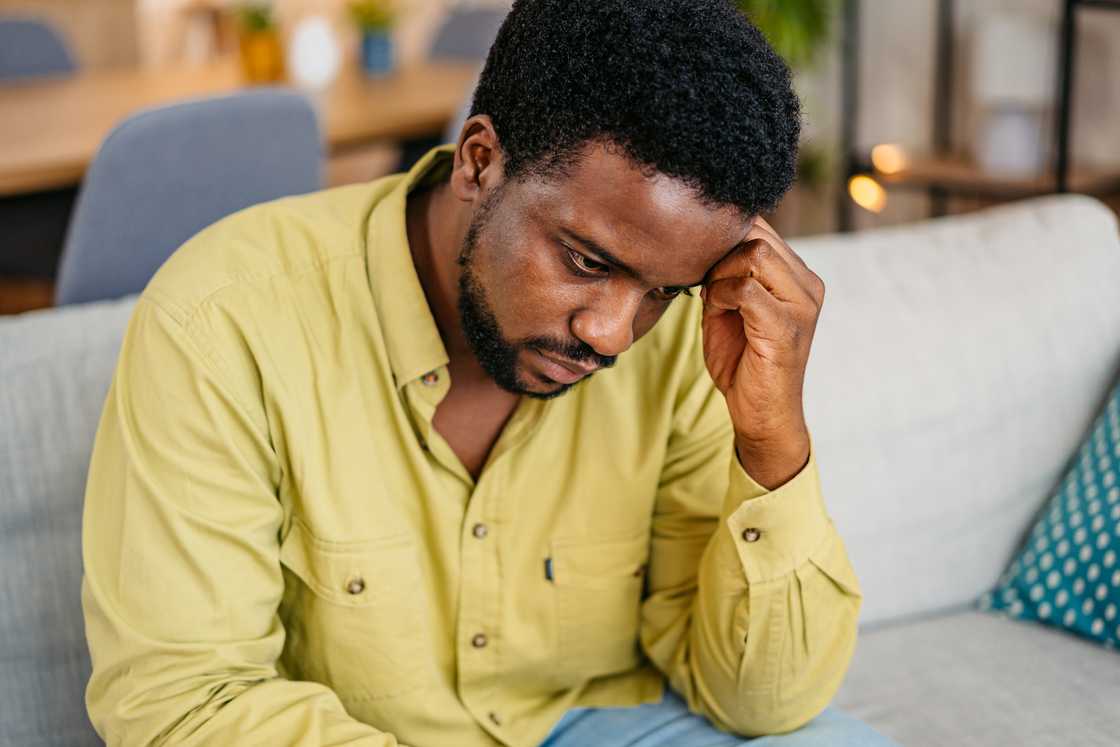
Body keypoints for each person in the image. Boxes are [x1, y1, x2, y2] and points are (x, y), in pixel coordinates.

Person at [81, 1, 897, 745]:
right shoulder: (223, 321)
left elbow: (764, 705)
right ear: (479, 162)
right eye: (585, 261)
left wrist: (771, 439)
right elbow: (187, 703)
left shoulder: (691, 337)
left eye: (663, 292)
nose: (612, 334)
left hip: (606, 722)